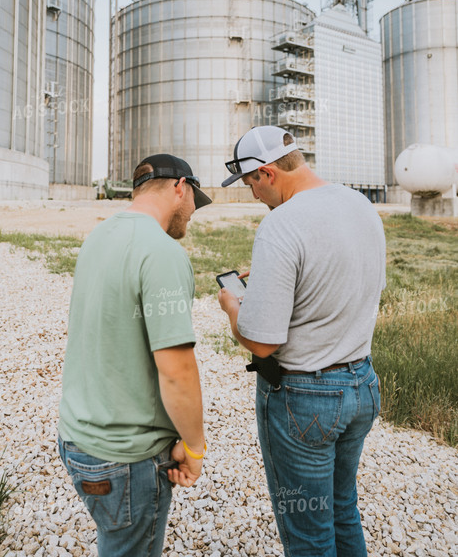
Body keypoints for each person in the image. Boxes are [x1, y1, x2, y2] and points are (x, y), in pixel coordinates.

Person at [218, 125, 385, 557]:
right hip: (362, 384)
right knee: (341, 508)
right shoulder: (361, 205)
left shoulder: (281, 224)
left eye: (251, 183)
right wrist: (279, 283)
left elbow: (261, 344)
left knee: (309, 536)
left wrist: (233, 305)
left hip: (306, 400)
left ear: (268, 173)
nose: (252, 195)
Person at [58, 154, 212, 557]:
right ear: (180, 187)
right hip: (125, 458)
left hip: (78, 438)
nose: (194, 212)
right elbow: (177, 371)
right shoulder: (161, 252)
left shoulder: (99, 236)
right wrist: (194, 449)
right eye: (196, 198)